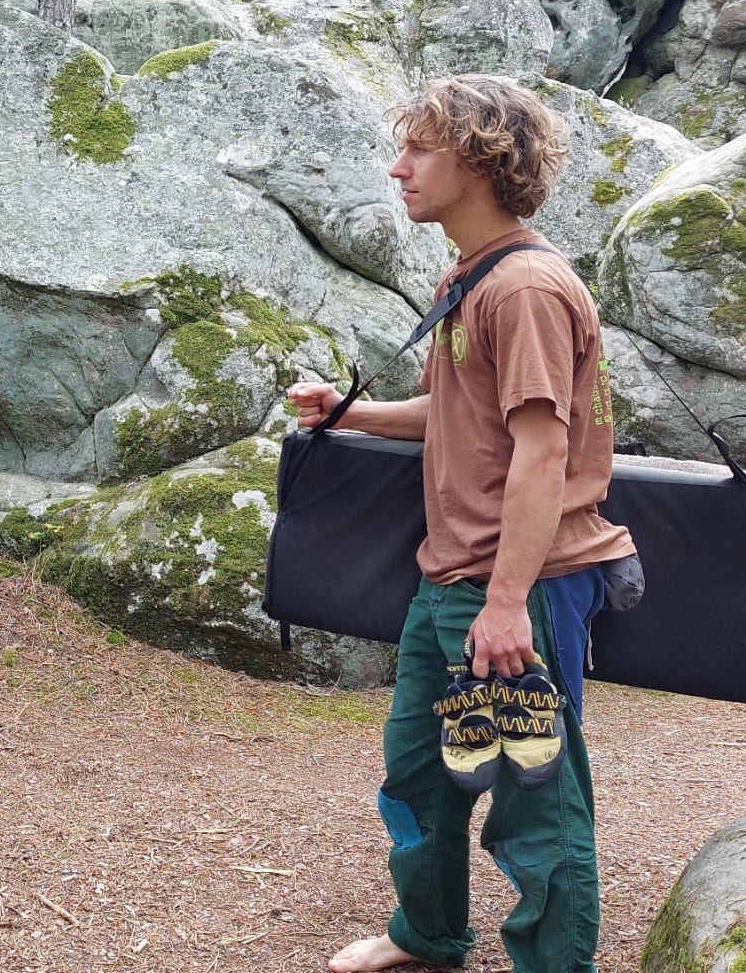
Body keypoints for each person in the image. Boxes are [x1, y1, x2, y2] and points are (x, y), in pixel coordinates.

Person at [290, 75, 636, 973]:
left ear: (480, 162)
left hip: (514, 586)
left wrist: (509, 601)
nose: (398, 168)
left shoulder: (522, 289)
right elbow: (456, 412)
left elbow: (541, 454)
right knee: (419, 774)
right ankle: (429, 934)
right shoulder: (473, 274)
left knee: (533, 796)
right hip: (450, 582)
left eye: (421, 150)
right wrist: (350, 413)